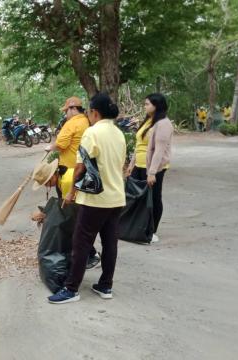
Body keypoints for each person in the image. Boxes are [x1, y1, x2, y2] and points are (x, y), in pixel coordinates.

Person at [48, 93, 126, 304]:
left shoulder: (92, 133)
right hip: (117, 197)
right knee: (110, 243)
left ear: (94, 112)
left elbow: (80, 167)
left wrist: (72, 192)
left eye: (89, 112)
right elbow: (120, 167)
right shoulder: (119, 134)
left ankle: (71, 289)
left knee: (81, 242)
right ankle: (105, 285)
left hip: (95, 200)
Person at [32, 156, 101, 269]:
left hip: (91, 203)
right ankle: (85, 255)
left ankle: (93, 256)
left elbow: (67, 208)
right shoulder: (61, 177)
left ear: (52, 176)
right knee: (74, 229)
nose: (46, 186)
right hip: (83, 202)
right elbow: (62, 205)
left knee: (76, 230)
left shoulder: (66, 181)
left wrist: (46, 215)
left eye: (46, 183)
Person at [126, 93, 173, 243]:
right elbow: (139, 144)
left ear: (156, 105)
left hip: (154, 168)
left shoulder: (163, 124)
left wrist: (152, 172)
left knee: (153, 198)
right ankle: (135, 228)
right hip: (139, 165)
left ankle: (152, 230)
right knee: (135, 197)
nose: (144, 106)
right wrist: (131, 164)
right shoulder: (148, 121)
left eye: (147, 104)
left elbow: (159, 150)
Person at [46, 96, 90, 169]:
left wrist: (49, 147)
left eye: (66, 111)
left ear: (74, 109)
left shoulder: (71, 123)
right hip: (83, 166)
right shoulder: (86, 121)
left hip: (69, 168)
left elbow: (60, 145)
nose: (65, 114)